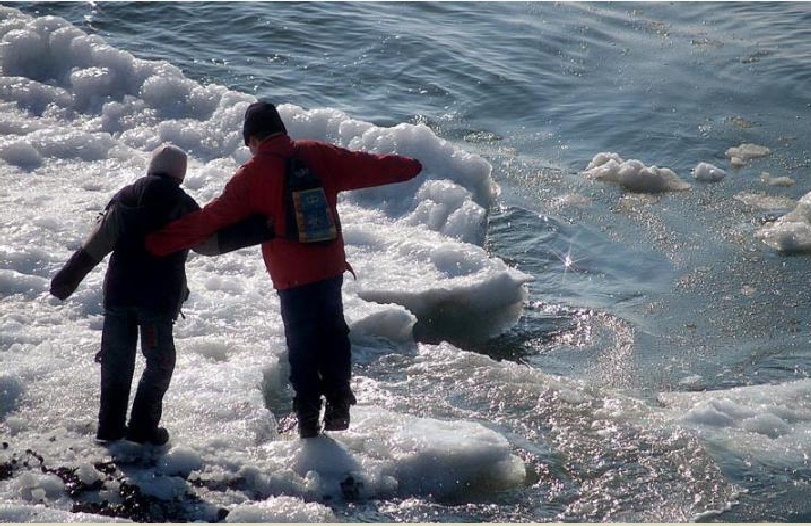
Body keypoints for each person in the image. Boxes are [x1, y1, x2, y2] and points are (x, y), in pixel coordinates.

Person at [145, 100, 423, 438]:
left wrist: (159, 242)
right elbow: (368, 165)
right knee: (334, 331)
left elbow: (211, 218)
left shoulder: (253, 174)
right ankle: (338, 403)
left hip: (291, 276)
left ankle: (307, 417)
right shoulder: (318, 154)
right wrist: (410, 166)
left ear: (253, 140)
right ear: (281, 129)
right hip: (329, 265)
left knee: (301, 341)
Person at [50, 143, 273, 446]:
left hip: (119, 296)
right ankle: (143, 427)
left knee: (116, 362)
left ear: (151, 167)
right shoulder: (183, 205)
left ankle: (109, 430)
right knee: (159, 362)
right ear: (181, 175)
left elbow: (94, 246)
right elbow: (209, 244)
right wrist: (261, 228)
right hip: (156, 302)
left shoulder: (125, 199)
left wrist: (65, 281)